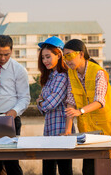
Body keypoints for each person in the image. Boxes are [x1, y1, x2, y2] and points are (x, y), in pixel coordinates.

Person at [62, 39, 111, 175]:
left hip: (109, 128)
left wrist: (80, 111)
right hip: (89, 130)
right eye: (64, 56)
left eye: (69, 55)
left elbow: (99, 101)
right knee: (88, 170)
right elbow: (71, 101)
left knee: (105, 168)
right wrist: (67, 130)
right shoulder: (71, 73)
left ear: (81, 54)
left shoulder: (98, 73)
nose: (66, 60)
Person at [0, 35, 30, 175]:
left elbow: (25, 98)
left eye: (7, 54)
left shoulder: (19, 70)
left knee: (11, 162)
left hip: (10, 119)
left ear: (12, 51)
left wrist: (13, 112)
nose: (3, 58)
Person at [36, 36, 74, 175]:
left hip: (63, 131)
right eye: (43, 58)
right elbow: (44, 106)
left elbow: (48, 104)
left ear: (59, 55)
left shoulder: (62, 77)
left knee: (65, 170)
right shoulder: (50, 77)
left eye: (48, 57)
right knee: (47, 170)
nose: (45, 61)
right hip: (49, 131)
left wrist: (39, 101)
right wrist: (41, 103)